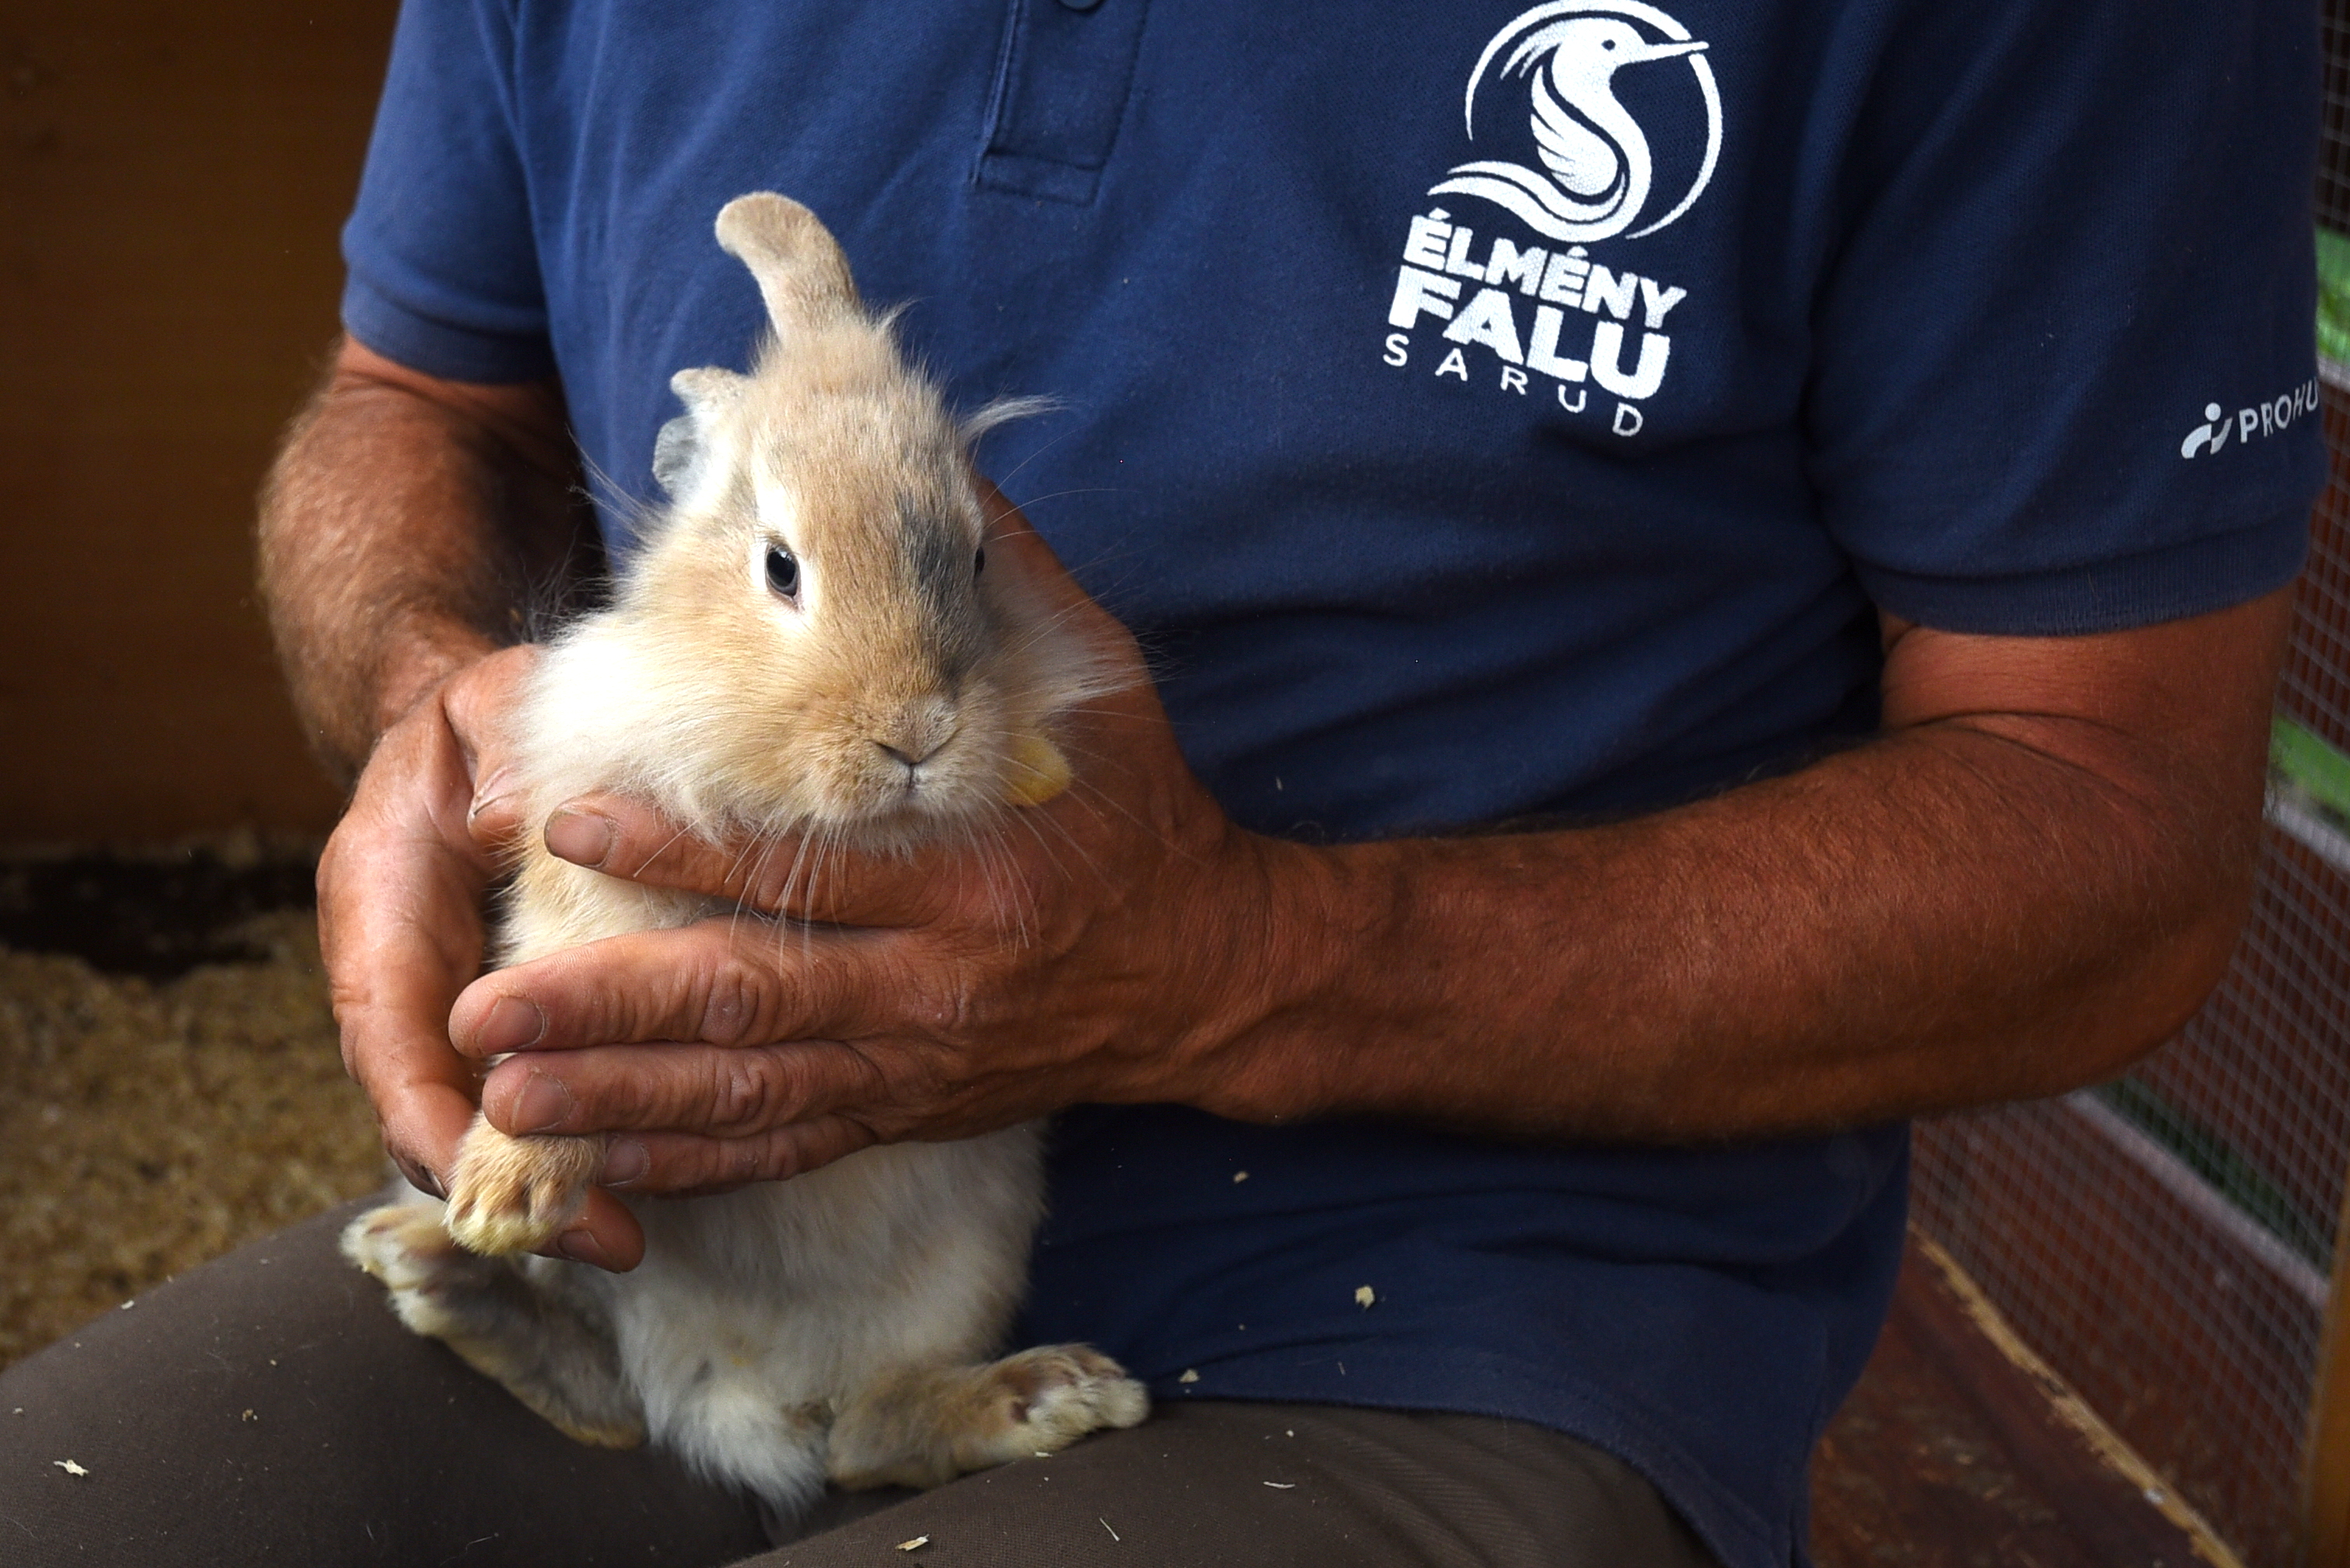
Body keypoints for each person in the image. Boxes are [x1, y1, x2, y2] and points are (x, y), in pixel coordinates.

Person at [0, 2, 2324, 1564]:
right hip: (680, 1238)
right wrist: (438, 712)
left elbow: (2111, 830)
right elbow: (414, 403)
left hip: (1443, 1293)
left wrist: (1252, 964)